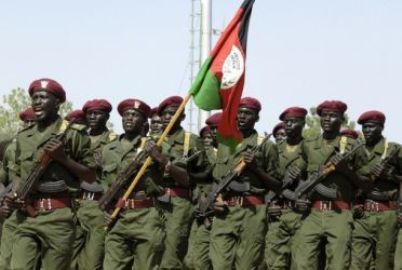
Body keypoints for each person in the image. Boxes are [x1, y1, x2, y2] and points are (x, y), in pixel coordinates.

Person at [6, 78, 95, 269]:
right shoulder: (24, 137)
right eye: (34, 97)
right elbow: (18, 174)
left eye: (43, 97)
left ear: (57, 103)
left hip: (58, 218)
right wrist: (14, 193)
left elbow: (91, 176)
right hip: (26, 216)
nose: (37, 101)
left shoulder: (73, 134)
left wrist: (64, 159)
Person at [292, 100, 366, 270]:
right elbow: (298, 178)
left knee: (338, 263)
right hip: (312, 213)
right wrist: (299, 196)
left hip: (339, 213)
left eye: (333, 116)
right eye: (324, 115)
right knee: (303, 262)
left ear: (342, 119)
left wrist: (345, 170)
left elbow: (365, 185)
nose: (327, 119)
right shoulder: (308, 145)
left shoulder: (352, 146)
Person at [209, 97, 280, 270]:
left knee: (246, 265)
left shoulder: (266, 146)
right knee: (219, 265)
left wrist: (256, 168)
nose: (241, 117)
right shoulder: (225, 143)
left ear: (257, 118)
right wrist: (216, 198)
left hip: (252, 213)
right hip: (225, 213)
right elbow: (217, 179)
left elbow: (277, 185)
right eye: (239, 113)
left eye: (247, 114)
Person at [102, 98, 165, 269]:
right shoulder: (108, 149)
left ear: (145, 121)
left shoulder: (155, 147)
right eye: (126, 115)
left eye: (135, 115)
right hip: (117, 216)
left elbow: (175, 177)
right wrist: (106, 209)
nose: (129, 118)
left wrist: (160, 159)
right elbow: (104, 183)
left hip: (145, 216)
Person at [146, 96, 206, 270]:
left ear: (182, 117)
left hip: (178, 203)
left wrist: (163, 160)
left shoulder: (192, 141)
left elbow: (202, 175)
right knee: (149, 254)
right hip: (153, 202)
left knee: (172, 257)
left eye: (173, 114)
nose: (168, 118)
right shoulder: (151, 141)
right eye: (165, 114)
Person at [350, 110, 402, 270]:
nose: (367, 130)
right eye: (364, 127)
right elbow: (349, 181)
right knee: (357, 263)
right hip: (363, 214)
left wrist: (390, 175)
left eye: (371, 126)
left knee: (384, 262)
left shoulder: (394, 149)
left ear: (381, 127)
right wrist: (354, 203)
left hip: (386, 214)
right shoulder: (356, 151)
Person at [71, 99, 116, 270]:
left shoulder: (114, 142)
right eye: (89, 113)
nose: (92, 117)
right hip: (75, 204)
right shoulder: (78, 138)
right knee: (66, 258)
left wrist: (102, 166)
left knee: (92, 262)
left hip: (99, 206)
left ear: (106, 116)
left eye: (97, 113)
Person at [265, 107, 308, 270]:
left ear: (303, 123)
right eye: (286, 122)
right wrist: (269, 204)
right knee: (275, 263)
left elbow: (318, 180)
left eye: (293, 121)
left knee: (301, 264)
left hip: (301, 214)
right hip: (278, 213)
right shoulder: (274, 149)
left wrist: (302, 180)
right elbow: (266, 181)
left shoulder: (310, 149)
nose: (288, 125)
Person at [0, 107, 36, 269]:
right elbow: (6, 178)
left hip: (39, 208)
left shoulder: (50, 145)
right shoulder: (11, 149)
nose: (29, 124)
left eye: (32, 122)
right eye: (26, 121)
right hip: (14, 207)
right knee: (6, 259)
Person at [184, 112, 221, 270]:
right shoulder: (202, 156)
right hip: (203, 208)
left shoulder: (233, 153)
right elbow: (196, 180)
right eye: (206, 135)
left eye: (216, 129)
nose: (210, 136)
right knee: (196, 259)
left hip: (223, 208)